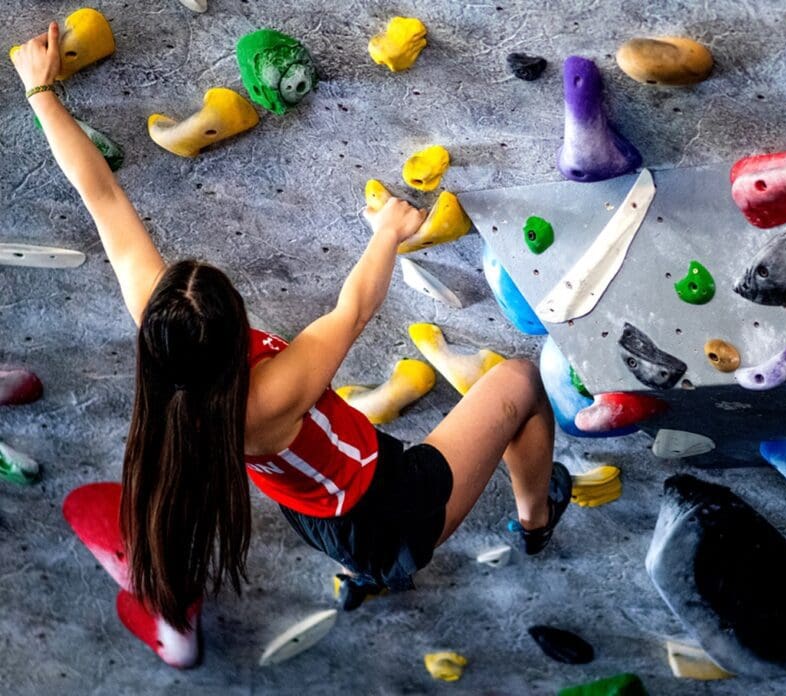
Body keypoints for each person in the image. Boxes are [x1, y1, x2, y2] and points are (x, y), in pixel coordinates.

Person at [12, 23, 570, 632]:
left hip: (318, 505)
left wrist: (41, 93)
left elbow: (104, 199)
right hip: (383, 507)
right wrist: (388, 231)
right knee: (518, 384)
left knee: (363, 542)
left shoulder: (166, 345)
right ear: (231, 334)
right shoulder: (272, 393)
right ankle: (536, 517)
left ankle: (367, 575)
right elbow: (353, 309)